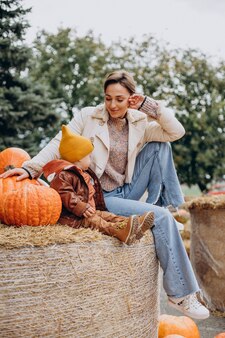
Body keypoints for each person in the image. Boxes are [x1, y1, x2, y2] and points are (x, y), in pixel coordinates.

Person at [0, 70, 209, 319]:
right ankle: (180, 295)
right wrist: (30, 167)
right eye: (108, 98)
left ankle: (170, 205)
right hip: (103, 196)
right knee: (161, 219)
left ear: (131, 98)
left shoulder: (139, 121)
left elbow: (176, 132)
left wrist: (150, 106)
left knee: (160, 146)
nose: (112, 104)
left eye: (119, 99)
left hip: (129, 189)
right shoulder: (89, 117)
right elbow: (58, 143)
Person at [42, 124, 154, 244]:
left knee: (108, 216)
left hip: (87, 212)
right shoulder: (63, 175)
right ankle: (119, 232)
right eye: (88, 156)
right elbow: (64, 194)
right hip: (72, 218)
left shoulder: (82, 173)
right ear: (79, 158)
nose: (90, 160)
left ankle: (134, 224)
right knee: (97, 222)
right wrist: (81, 207)